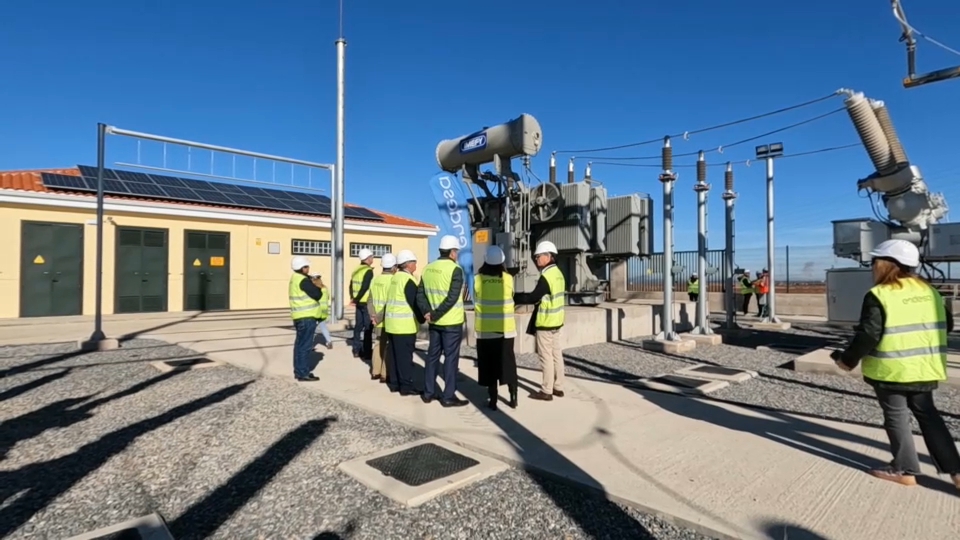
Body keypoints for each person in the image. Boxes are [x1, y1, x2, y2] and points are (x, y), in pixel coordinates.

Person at [831, 239, 960, 489]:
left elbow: (869, 334)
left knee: (896, 417)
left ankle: (905, 470)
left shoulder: (880, 294)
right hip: (924, 367)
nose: (872, 266)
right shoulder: (930, 291)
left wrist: (847, 360)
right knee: (929, 416)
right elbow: (948, 325)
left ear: (885, 264)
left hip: (891, 370)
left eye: (874, 262)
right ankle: (957, 471)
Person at [417, 235, 469, 407]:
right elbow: (453, 297)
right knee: (450, 359)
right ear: (453, 252)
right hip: (451, 322)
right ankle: (448, 396)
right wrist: (436, 314)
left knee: (432, 357)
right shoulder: (456, 270)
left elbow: (420, 294)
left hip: (433, 323)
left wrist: (427, 313)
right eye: (457, 251)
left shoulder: (428, 269)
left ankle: (428, 393)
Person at [514, 240, 566, 402]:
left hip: (545, 322)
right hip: (557, 321)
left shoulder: (546, 276)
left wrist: (514, 296)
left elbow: (532, 297)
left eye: (538, 257)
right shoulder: (559, 274)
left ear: (548, 256)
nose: (536, 260)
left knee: (546, 356)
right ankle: (558, 387)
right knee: (556, 354)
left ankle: (546, 390)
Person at [475, 245, 519, 410]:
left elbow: (475, 297)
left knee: (489, 366)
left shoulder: (478, 279)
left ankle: (493, 401)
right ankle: (513, 397)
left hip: (486, 331)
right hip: (506, 330)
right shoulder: (508, 278)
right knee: (508, 364)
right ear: (502, 261)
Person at [384, 249, 424, 396]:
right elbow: (415, 302)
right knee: (405, 358)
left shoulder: (395, 278)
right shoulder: (408, 280)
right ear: (407, 264)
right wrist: (422, 318)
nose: (416, 265)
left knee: (394, 356)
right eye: (414, 262)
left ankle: (394, 384)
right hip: (404, 326)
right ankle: (406, 386)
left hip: (391, 324)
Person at [288, 256, 324, 382]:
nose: (308, 269)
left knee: (299, 345)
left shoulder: (294, 279)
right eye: (307, 267)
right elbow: (317, 294)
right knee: (305, 346)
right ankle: (303, 373)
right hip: (307, 317)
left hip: (299, 317)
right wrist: (318, 286)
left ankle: (299, 371)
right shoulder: (303, 281)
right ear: (302, 268)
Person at [368, 253, 397, 384]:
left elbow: (370, 300)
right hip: (388, 319)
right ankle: (385, 374)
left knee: (378, 344)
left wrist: (373, 316)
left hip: (376, 319)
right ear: (393, 267)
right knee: (388, 347)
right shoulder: (393, 281)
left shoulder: (375, 280)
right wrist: (379, 318)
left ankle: (375, 371)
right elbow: (389, 303)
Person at [350, 248, 375, 361]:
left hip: (359, 303)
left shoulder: (356, 269)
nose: (373, 259)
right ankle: (367, 352)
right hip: (365, 302)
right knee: (368, 328)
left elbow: (351, 285)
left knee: (358, 326)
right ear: (368, 258)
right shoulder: (368, 271)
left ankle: (356, 350)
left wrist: (354, 298)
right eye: (372, 257)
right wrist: (357, 298)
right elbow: (365, 287)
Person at [310, 273, 335, 350]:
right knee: (323, 327)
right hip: (324, 311)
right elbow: (327, 298)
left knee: (311, 328)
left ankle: (310, 345)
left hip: (316, 310)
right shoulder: (325, 288)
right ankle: (329, 341)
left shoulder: (314, 289)